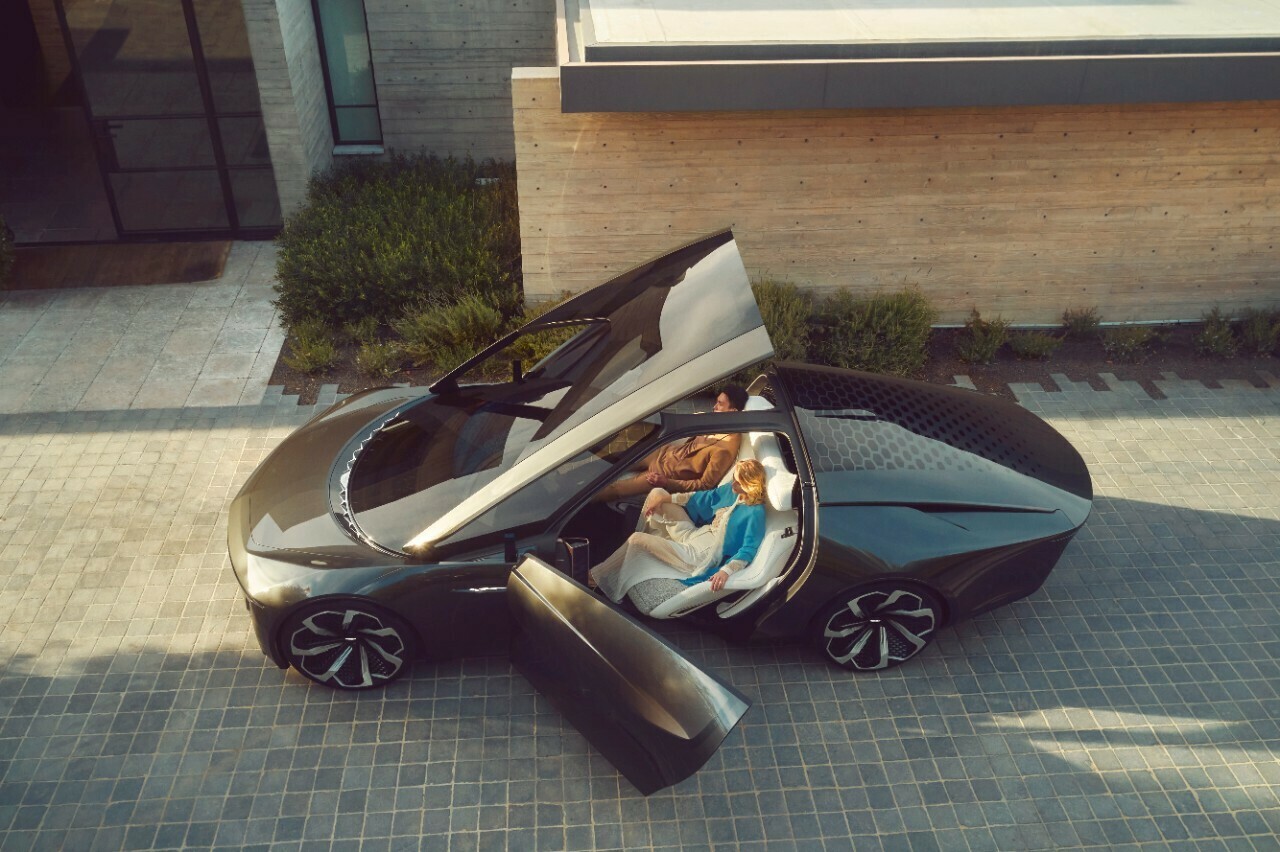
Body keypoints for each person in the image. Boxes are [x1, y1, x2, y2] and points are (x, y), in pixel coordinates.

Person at [589, 459, 767, 605]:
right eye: (734, 479)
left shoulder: (755, 513)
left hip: (700, 556)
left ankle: (597, 578)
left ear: (751, 485)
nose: (733, 483)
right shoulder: (732, 491)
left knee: (637, 539)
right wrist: (667, 497)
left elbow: (748, 549)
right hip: (694, 534)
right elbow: (703, 497)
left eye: (738, 482)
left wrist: (726, 571)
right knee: (657, 493)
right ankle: (638, 548)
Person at [595, 384, 749, 502]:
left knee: (616, 489)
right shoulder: (717, 421)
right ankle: (584, 475)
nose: (714, 407)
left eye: (720, 404)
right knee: (617, 460)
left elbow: (704, 485)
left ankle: (577, 501)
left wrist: (666, 482)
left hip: (664, 474)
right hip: (663, 453)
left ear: (733, 412)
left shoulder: (724, 450)